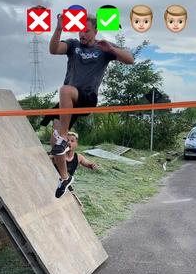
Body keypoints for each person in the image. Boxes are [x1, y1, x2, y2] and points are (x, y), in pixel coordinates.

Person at [42, 13, 134, 198]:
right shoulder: (73, 46)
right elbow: (53, 49)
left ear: (95, 31)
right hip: (69, 103)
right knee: (54, 144)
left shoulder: (103, 48)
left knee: (65, 90)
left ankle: (62, 137)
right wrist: (59, 28)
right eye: (79, 30)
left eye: (86, 31)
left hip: (86, 97)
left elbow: (130, 60)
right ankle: (64, 177)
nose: (82, 34)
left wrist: (112, 49)